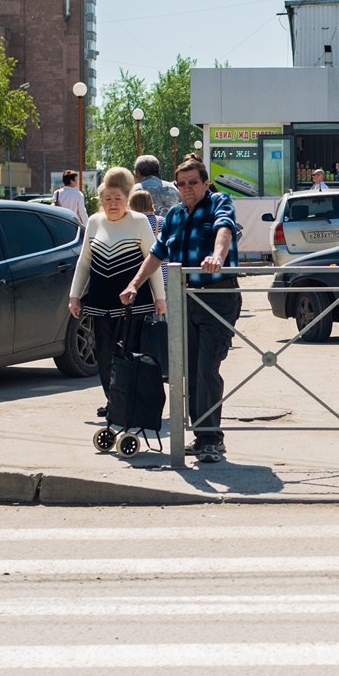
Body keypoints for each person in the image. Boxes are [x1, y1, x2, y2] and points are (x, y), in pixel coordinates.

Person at [122, 155, 241, 464]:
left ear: (205, 183)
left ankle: (209, 439)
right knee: (188, 370)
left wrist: (217, 256)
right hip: (184, 299)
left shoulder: (219, 202)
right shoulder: (174, 215)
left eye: (193, 183)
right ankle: (205, 436)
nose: (188, 188)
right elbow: (157, 253)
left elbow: (224, 230)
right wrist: (136, 284)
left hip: (217, 298)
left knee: (206, 368)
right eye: (182, 184)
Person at [70, 167, 164, 419]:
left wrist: (160, 298)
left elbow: (152, 259)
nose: (113, 204)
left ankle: (131, 402)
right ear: (101, 200)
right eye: (107, 199)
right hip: (100, 301)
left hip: (135, 303)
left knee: (130, 352)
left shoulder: (140, 221)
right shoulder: (94, 221)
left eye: (118, 199)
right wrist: (75, 295)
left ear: (127, 199)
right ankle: (113, 401)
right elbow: (84, 261)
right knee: (104, 354)